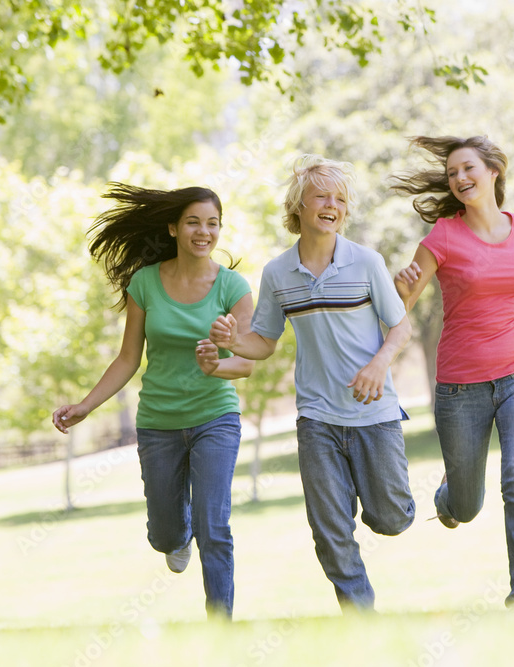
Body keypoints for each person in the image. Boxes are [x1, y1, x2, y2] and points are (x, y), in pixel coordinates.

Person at [209, 155, 416, 614]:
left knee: (392, 518)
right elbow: (263, 342)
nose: (332, 205)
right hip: (317, 417)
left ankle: (424, 501)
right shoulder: (279, 273)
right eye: (322, 195)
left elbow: (400, 327)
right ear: (298, 206)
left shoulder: (366, 261)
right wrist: (232, 342)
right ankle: (361, 618)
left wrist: (379, 365)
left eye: (340, 199)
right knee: (329, 528)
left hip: (373, 413)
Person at [52, 183, 254, 620]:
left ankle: (221, 625)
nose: (204, 231)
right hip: (159, 422)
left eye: (213, 223)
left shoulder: (233, 287)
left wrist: (216, 364)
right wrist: (87, 406)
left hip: (215, 416)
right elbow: (128, 358)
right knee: (164, 534)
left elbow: (246, 364)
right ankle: (175, 535)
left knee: (214, 526)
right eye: (194, 222)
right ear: (174, 228)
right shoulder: (144, 283)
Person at [391, 135, 514, 608]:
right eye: (452, 174)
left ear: (494, 171)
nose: (459, 179)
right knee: (467, 507)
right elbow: (402, 305)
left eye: (467, 168)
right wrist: (400, 287)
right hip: (460, 389)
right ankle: (448, 497)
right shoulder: (443, 237)